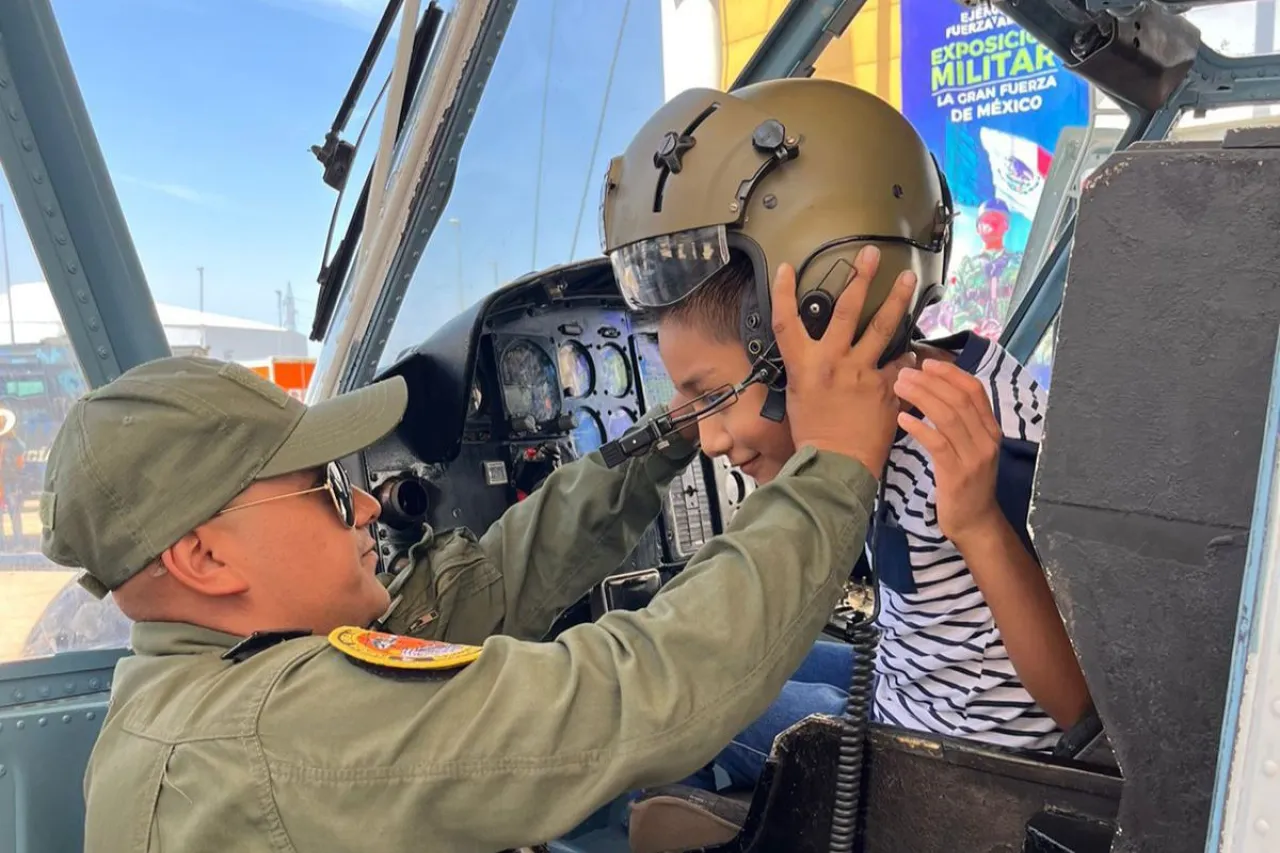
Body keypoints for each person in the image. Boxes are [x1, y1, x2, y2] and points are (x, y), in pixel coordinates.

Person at [45, 246, 914, 850]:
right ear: (204, 561)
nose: (363, 508)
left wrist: (679, 424)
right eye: (324, 487)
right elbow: (641, 693)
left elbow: (498, 580)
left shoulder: (214, 677)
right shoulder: (272, 733)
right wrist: (833, 466)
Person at [597, 76, 1093, 795]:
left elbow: (1080, 709)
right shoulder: (903, 390)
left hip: (941, 772)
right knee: (715, 656)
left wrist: (980, 524)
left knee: (657, 700)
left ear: (824, 319)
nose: (707, 438)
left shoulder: (982, 439)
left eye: (713, 394)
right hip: (897, 690)